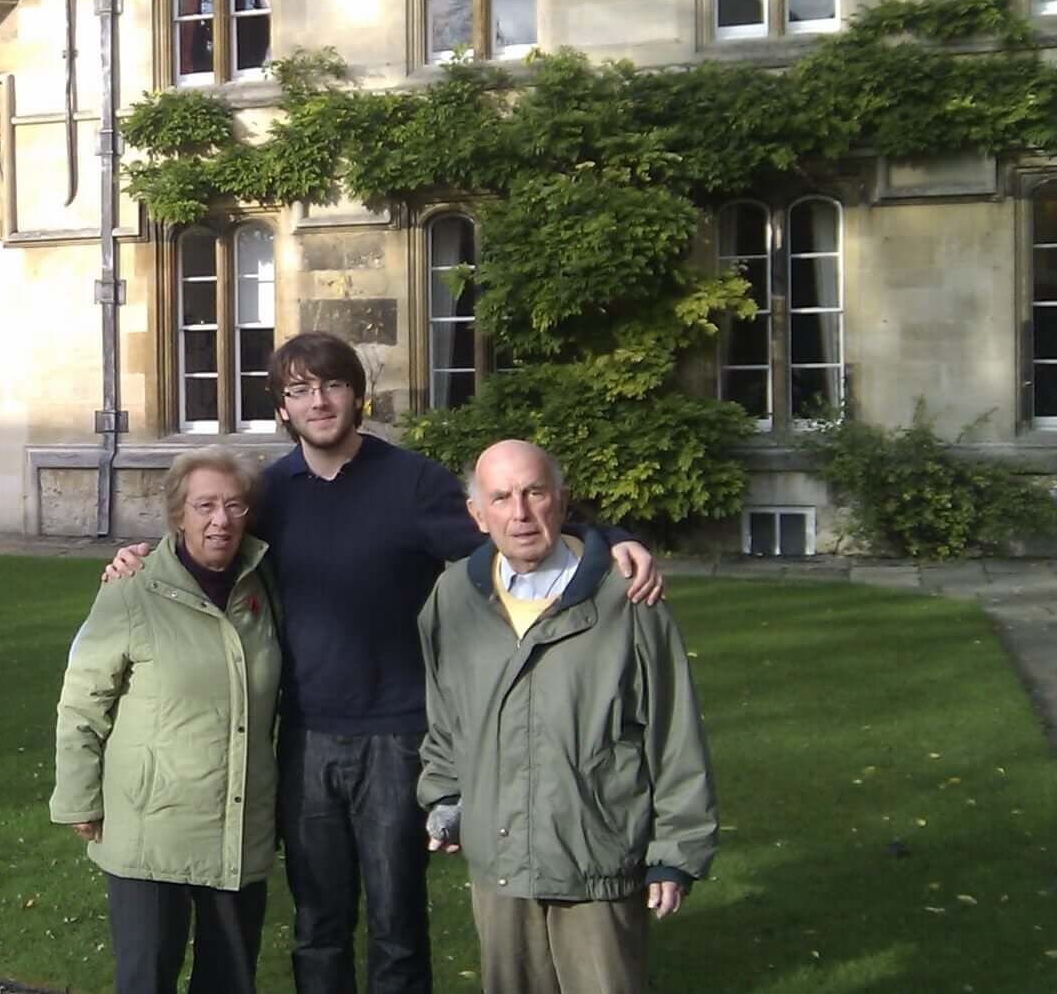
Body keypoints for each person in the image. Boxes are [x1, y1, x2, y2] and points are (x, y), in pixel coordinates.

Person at [103, 331, 662, 994]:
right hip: (306, 735)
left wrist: (613, 539)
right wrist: (139, 557)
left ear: (356, 395)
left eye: (332, 385)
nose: (318, 402)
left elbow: (515, 528)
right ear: (282, 409)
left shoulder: (412, 482)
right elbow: (207, 543)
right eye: (300, 391)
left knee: (398, 923)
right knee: (319, 922)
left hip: (399, 736)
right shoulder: (271, 494)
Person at [419, 440, 717, 994]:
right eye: (501, 497)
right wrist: (445, 796)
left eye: (534, 492)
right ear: (477, 515)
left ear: (561, 499)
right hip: (500, 862)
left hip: (597, 855)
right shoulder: (453, 596)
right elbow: (444, 711)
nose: (521, 513)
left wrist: (677, 852)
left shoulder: (627, 596)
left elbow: (675, 730)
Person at [52, 446, 281, 994]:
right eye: (204, 506)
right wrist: (79, 799)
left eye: (234, 506)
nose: (220, 520)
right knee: (147, 978)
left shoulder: (268, 586)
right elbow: (82, 702)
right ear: (178, 514)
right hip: (150, 826)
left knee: (229, 980)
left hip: (236, 824)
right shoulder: (131, 590)